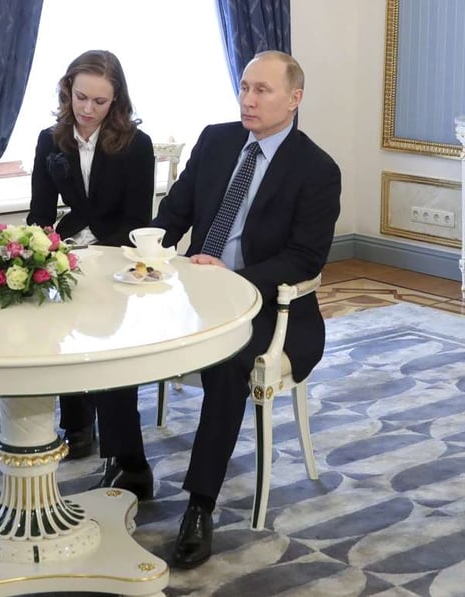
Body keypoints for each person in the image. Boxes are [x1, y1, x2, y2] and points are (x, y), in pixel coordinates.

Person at [98, 50, 341, 569]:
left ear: (294, 99)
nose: (247, 99)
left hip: (274, 312)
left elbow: (303, 258)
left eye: (262, 91)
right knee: (114, 332)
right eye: (245, 87)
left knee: (229, 364)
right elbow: (174, 213)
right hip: (196, 295)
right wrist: (137, 254)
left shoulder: (317, 169)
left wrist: (231, 277)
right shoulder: (216, 139)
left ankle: (200, 505)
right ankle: (132, 465)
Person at [26, 49, 154, 461]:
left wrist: (93, 255)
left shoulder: (137, 144)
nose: (87, 108)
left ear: (115, 101)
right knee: (60, 331)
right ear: (68, 90)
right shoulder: (50, 139)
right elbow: (40, 212)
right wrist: (41, 251)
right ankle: (76, 423)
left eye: (99, 102)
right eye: (81, 97)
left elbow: (137, 218)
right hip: (67, 248)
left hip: (116, 249)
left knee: (109, 340)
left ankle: (116, 434)